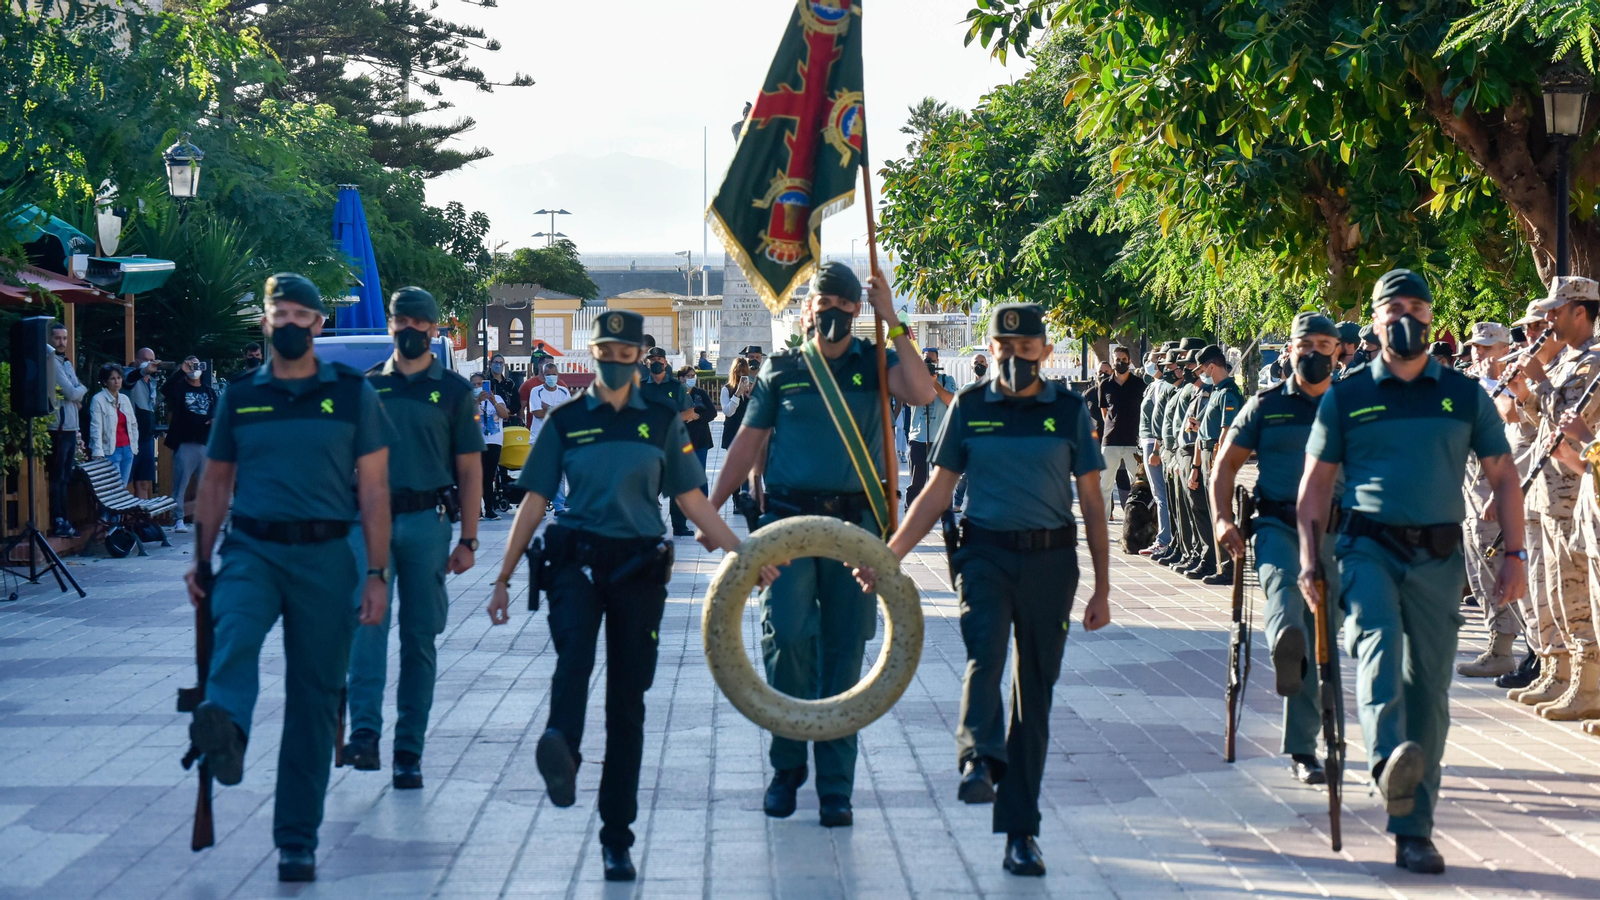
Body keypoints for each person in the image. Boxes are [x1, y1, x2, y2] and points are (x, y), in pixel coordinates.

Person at [484, 309, 753, 882]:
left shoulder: (660, 422)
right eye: (605, 352)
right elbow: (533, 502)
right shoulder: (565, 421)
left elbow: (691, 500)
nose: (615, 361)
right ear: (593, 354)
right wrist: (503, 576)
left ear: (639, 359)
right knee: (574, 659)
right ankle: (562, 747)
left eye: (625, 354)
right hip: (577, 564)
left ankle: (616, 837)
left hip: (637, 568)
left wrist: (742, 551)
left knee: (627, 704)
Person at [863, 302, 1109, 877]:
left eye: (1027, 348)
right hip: (985, 555)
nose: (1016, 356)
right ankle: (978, 756)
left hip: (1050, 561)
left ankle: (1021, 832)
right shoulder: (970, 407)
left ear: (1045, 351)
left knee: (1034, 693)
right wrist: (888, 555)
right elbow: (936, 492)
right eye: (1005, 346)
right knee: (985, 652)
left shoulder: (1068, 410)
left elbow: (1093, 501)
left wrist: (1102, 586)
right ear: (990, 349)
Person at [1296, 268, 1525, 875]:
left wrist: (1516, 555)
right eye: (1393, 308)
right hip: (1367, 551)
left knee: (1429, 693)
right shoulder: (1348, 397)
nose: (1406, 318)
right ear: (1374, 321)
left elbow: (1504, 476)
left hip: (1439, 560)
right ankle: (1385, 760)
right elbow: (1314, 488)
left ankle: (1413, 828)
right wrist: (1309, 561)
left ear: (1431, 318)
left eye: (1417, 308)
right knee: (1378, 652)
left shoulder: (1464, 395)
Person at [708, 261, 935, 829]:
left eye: (844, 303)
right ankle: (787, 769)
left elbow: (922, 391)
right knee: (786, 640)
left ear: (857, 309)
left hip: (856, 527)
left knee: (843, 651)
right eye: (823, 301)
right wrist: (711, 508)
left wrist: (893, 319)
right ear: (807, 308)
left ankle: (836, 787)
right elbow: (747, 442)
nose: (832, 310)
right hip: (787, 522)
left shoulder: (875, 362)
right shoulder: (782, 369)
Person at [183, 273, 393, 883]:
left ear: (319, 325)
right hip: (252, 548)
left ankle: (297, 839)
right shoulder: (241, 394)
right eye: (283, 314)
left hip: (327, 556)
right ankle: (227, 730)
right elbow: (216, 482)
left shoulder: (353, 394)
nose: (293, 324)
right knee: (235, 633)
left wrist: (375, 573)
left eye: (304, 315)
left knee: (315, 697)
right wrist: (202, 561)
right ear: (267, 322)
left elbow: (374, 491)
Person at [343, 287, 484, 790]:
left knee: (419, 638)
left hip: (427, 520)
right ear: (391, 324)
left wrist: (469, 539)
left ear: (433, 328)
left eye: (418, 322)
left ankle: (409, 751)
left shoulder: (454, 390)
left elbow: (470, 470)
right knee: (366, 627)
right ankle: (364, 732)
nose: (409, 329)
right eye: (400, 321)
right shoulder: (367, 387)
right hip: (367, 523)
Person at [1211, 312, 1342, 786]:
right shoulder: (1264, 406)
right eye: (1305, 344)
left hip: (1335, 534)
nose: (1314, 353)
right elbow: (1225, 466)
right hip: (1276, 526)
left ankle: (1306, 745)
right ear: (1289, 350)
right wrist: (1222, 519)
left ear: (1337, 352)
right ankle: (1285, 645)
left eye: (1324, 345)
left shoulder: (1349, 406)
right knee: (1285, 598)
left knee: (1321, 637)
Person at [1503, 276, 1600, 720]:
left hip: (1573, 492)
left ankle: (1587, 681)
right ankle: (1558, 670)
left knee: (1576, 593)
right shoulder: (1566, 360)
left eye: (1556, 311)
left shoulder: (1592, 362)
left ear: (1580, 312)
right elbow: (1543, 422)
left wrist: (1539, 383)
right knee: (1552, 589)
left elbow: (1574, 420)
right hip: (1548, 491)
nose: (1549, 320)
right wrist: (1524, 393)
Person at [1456, 322, 1524, 678]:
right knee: (1478, 568)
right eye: (1475, 346)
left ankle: (1506, 648)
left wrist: (1492, 381)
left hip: (1493, 488)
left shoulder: (1513, 382)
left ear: (1504, 349)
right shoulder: (1467, 383)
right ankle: (1495, 645)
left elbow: (1514, 422)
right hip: (1469, 488)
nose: (1478, 352)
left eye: (1486, 346)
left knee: (1497, 567)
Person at [1188, 344, 1243, 584]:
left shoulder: (1229, 392)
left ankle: (1229, 568)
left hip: (1216, 455)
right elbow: (1205, 432)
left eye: (1203, 369)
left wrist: (1216, 462)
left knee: (1221, 511)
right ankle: (1214, 561)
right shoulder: (1216, 391)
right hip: (1206, 453)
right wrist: (1196, 466)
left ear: (1212, 366)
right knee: (1207, 509)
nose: (1202, 373)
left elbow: (1225, 431)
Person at [1152, 340, 1205, 569]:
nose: (1182, 366)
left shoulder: (1194, 389)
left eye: (1184, 359)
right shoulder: (1180, 390)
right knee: (1178, 506)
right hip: (1174, 451)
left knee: (1191, 508)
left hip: (1187, 452)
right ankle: (1181, 547)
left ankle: (1194, 552)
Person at [163, 356, 218, 534]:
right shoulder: (180, 388)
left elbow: (219, 412)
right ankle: (178, 519)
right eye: (191, 365)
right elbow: (166, 390)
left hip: (205, 443)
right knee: (180, 484)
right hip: (185, 443)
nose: (194, 368)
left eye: (197, 365)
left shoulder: (209, 391)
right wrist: (182, 371)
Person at [1138, 343, 1181, 556]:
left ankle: (1165, 540)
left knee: (1161, 494)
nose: (1154, 363)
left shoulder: (1165, 386)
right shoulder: (1154, 385)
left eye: (1158, 359)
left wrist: (1156, 449)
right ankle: (1167, 538)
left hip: (1155, 443)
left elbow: (1161, 422)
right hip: (1147, 441)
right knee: (1161, 494)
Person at [46, 322, 87, 537]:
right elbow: (73, 392)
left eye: (64, 338)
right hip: (58, 428)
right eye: (57, 338)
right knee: (57, 477)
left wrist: (78, 391)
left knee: (65, 477)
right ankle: (58, 520)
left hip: (71, 427)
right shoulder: (51, 362)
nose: (62, 342)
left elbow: (76, 390)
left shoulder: (66, 362)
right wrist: (81, 390)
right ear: (49, 340)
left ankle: (65, 519)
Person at [905, 346, 957, 510]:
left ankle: (946, 519)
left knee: (942, 484)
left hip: (941, 439)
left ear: (938, 362)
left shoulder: (946, 379)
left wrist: (934, 384)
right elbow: (910, 401)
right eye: (926, 360)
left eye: (932, 361)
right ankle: (911, 516)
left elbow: (951, 401)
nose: (929, 364)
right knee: (917, 482)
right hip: (918, 438)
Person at [1098, 344, 1147, 519]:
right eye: (1117, 360)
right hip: (1110, 441)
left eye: (1124, 359)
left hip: (1133, 442)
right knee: (1105, 484)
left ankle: (1136, 520)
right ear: (1113, 362)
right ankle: (1102, 522)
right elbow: (1105, 412)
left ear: (1130, 361)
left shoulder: (1139, 384)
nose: (1120, 362)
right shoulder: (1105, 385)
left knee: (1137, 483)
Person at [670, 365, 719, 536]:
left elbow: (712, 412)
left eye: (693, 375)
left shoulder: (700, 393)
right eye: (689, 376)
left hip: (700, 439)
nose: (692, 378)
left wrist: (698, 417)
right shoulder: (675, 393)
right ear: (681, 378)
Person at [525, 362, 573, 515]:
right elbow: (537, 413)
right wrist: (557, 410)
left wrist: (548, 407)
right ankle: (539, 506)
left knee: (559, 474)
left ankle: (559, 506)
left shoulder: (563, 391)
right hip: (539, 438)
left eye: (554, 374)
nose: (551, 377)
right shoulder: (536, 391)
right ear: (543, 375)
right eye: (548, 374)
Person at [89, 363, 139, 484]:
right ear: (105, 382)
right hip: (110, 450)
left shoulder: (125, 399)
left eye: (119, 378)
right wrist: (98, 451)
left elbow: (133, 424)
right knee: (113, 487)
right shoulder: (98, 399)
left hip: (128, 449)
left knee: (123, 486)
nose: (117, 381)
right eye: (112, 378)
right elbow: (96, 427)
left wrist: (134, 445)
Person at [125, 348, 164, 497]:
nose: (149, 363)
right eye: (145, 360)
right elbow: (129, 380)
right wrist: (143, 371)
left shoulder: (152, 382)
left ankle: (143, 511)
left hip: (147, 439)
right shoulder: (129, 375)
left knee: (144, 482)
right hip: (130, 439)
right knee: (126, 482)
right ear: (137, 360)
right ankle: (126, 512)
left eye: (151, 360)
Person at [472, 371, 509, 520]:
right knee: (476, 476)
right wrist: (477, 401)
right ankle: (476, 510)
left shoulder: (497, 398)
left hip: (494, 441)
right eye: (474, 385)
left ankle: (489, 509)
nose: (477, 387)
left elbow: (504, 415)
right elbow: (466, 416)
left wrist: (493, 401)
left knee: (489, 476)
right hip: (476, 442)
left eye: (480, 384)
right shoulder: (469, 399)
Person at [487, 353, 521, 425]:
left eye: (501, 363)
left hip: (508, 421)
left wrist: (506, 410)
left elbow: (517, 404)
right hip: (491, 420)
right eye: (496, 362)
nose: (498, 365)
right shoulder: (485, 381)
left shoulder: (510, 383)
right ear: (490, 364)